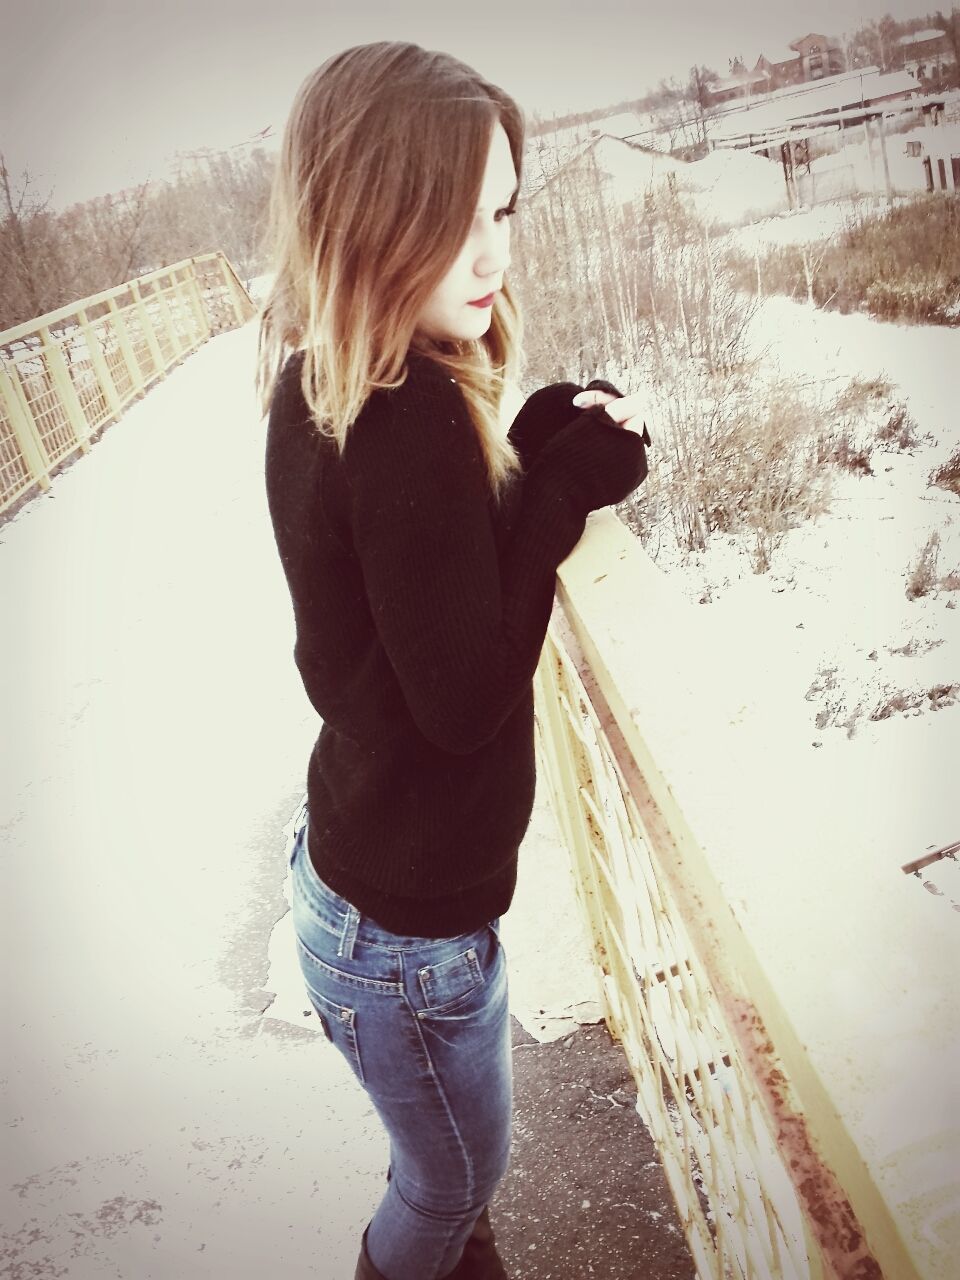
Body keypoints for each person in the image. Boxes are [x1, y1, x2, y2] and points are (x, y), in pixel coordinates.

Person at [257, 40, 652, 1280]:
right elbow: (467, 693)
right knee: (450, 1184)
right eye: (453, 222)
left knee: (450, 1178)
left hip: (359, 885)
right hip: (406, 935)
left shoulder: (327, 378)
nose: (494, 255)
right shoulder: (406, 414)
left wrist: (534, 445)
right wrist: (569, 491)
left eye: (504, 213)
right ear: (367, 216)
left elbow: (419, 589)